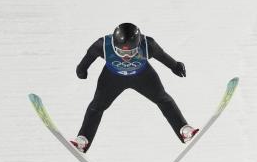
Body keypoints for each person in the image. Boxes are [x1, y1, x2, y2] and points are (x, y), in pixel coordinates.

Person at [71, 23, 198, 153]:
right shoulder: (103, 45)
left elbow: (162, 55)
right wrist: (81, 69)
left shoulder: (148, 44)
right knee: (97, 106)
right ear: (114, 45)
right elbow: (89, 56)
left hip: (142, 76)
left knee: (163, 99)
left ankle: (184, 130)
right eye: (121, 52)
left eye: (131, 52)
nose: (126, 56)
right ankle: (83, 140)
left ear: (138, 45)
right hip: (112, 78)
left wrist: (175, 66)